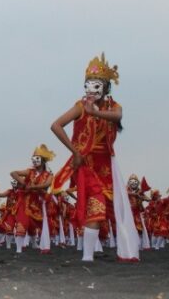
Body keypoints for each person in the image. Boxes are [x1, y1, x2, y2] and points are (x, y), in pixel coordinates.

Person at [51, 53, 139, 262]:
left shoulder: (113, 107)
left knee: (107, 208)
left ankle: (96, 250)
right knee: (96, 205)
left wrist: (96, 113)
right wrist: (75, 152)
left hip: (107, 164)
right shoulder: (80, 106)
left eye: (96, 84)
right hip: (86, 163)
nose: (91, 89)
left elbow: (118, 117)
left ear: (106, 87)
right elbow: (56, 125)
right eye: (88, 84)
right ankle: (87, 256)